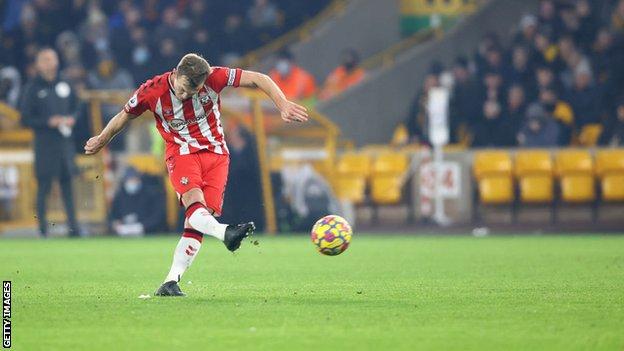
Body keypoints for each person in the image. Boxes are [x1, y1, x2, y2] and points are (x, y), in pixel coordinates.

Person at [84, 53, 308, 296]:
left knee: (199, 221)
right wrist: (102, 138)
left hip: (217, 155)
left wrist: (282, 103)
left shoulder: (215, 77)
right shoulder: (152, 90)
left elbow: (259, 78)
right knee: (194, 204)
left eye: (193, 92)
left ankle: (171, 281)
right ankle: (226, 233)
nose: (185, 95)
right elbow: (123, 116)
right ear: (176, 73)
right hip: (182, 154)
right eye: (182, 90)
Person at [19, 48, 80, 237]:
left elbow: (78, 106)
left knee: (68, 185)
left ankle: (74, 229)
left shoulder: (65, 83)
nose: (49, 63)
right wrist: (48, 122)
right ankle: (42, 230)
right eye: (45, 59)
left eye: (52, 58)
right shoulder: (32, 88)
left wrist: (72, 118)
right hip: (44, 144)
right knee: (44, 186)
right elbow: (25, 118)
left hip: (65, 144)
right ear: (38, 64)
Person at [110, 167, 167, 236]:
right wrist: (116, 225)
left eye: (134, 179)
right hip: (124, 234)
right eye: (129, 180)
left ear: (139, 179)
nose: (132, 182)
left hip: (149, 233)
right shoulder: (120, 195)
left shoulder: (151, 194)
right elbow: (112, 216)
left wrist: (142, 227)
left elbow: (158, 216)